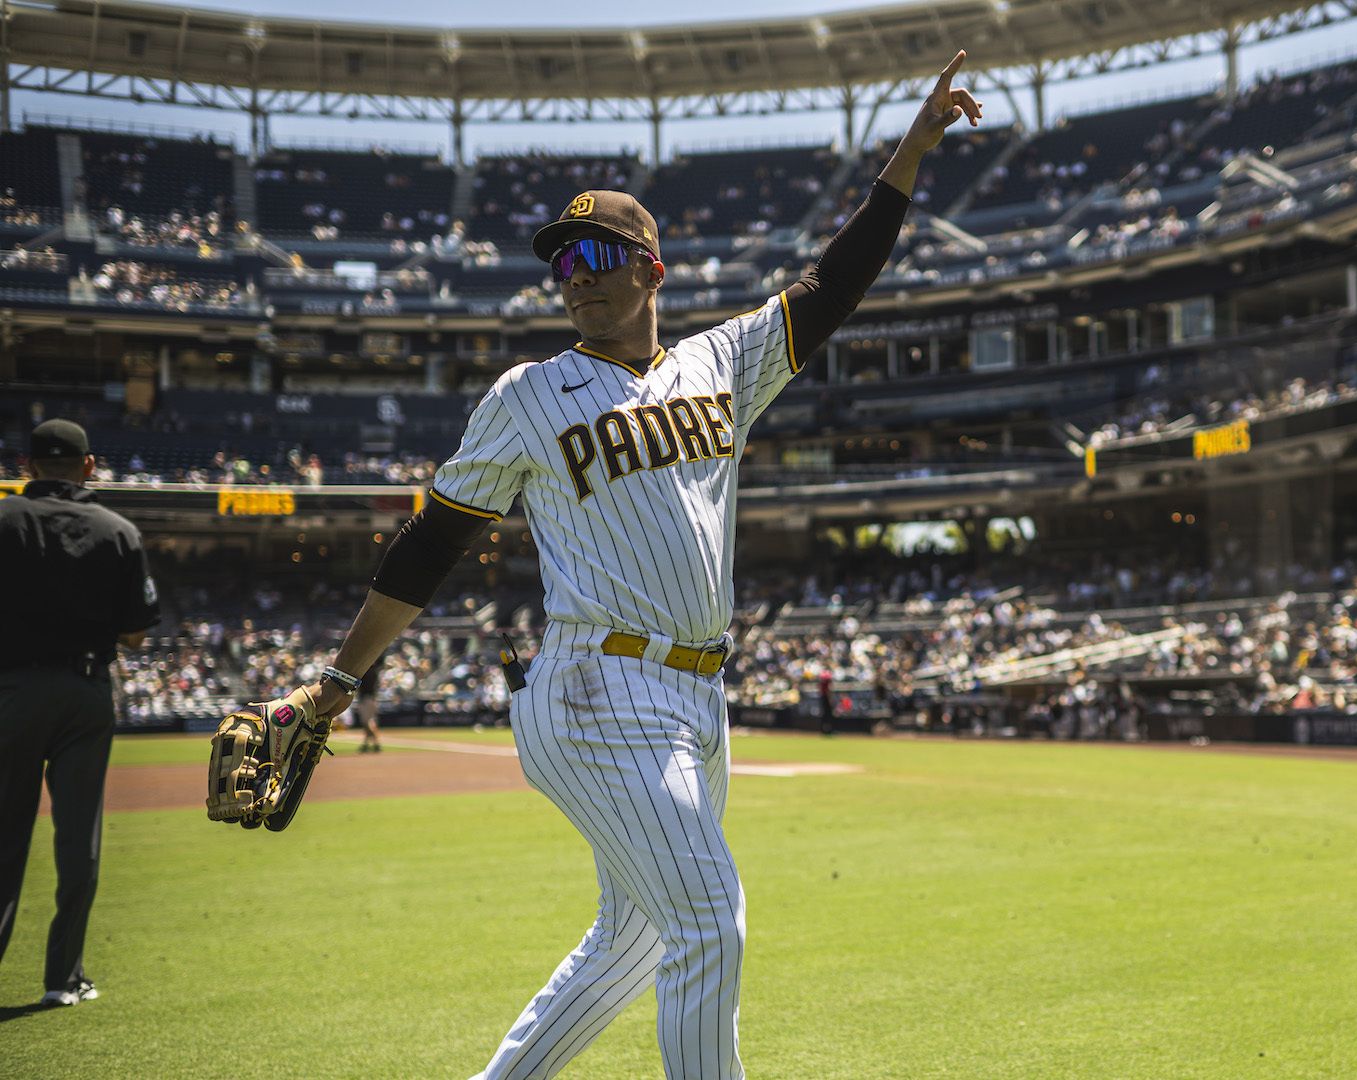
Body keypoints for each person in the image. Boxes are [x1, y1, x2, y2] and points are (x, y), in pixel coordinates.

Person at [254, 52, 982, 1079]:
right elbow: (430, 546)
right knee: (711, 924)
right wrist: (337, 682)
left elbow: (833, 285)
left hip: (695, 701)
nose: (579, 274)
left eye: (598, 251)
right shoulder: (527, 394)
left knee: (636, 937)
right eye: (563, 261)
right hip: (598, 690)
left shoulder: (721, 364)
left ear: (652, 268)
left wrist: (909, 152)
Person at [0, 419, 160, 1007]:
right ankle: (61, 978)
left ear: (28, 464)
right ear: (89, 466)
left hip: (10, 690)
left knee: (3, 837)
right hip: (85, 690)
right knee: (79, 841)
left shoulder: (2, 520)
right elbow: (137, 635)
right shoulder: (117, 531)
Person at [356, 653, 384, 753]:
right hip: (370, 698)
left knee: (367, 722)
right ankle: (366, 744)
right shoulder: (373, 671)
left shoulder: (369, 672)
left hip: (367, 698)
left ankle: (376, 743)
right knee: (368, 722)